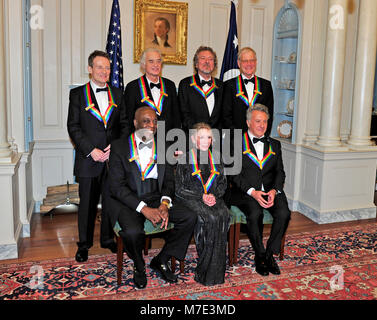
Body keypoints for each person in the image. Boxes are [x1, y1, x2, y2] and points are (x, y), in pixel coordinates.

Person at [107, 107, 196, 289]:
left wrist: (164, 203)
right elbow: (116, 187)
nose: (152, 125)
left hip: (156, 196)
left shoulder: (163, 146)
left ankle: (161, 259)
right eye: (146, 121)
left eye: (154, 121)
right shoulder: (119, 146)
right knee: (132, 233)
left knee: (189, 217)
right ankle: (139, 266)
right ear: (135, 123)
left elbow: (169, 181)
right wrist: (144, 209)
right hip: (130, 200)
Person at [67, 50, 127, 262]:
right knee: (87, 205)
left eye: (108, 67)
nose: (105, 71)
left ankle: (107, 239)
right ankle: (84, 244)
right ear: (90, 69)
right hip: (88, 160)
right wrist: (91, 150)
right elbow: (73, 127)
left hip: (112, 160)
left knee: (111, 202)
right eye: (100, 67)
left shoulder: (118, 94)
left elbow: (124, 125)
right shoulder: (77, 95)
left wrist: (115, 147)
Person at [229, 104, 290, 276]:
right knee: (255, 213)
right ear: (248, 122)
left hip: (270, 190)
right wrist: (252, 192)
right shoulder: (235, 143)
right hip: (245, 192)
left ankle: (269, 254)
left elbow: (280, 172)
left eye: (264, 121)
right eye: (258, 121)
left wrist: (274, 191)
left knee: (284, 213)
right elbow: (234, 175)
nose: (262, 125)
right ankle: (259, 254)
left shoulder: (275, 145)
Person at [175, 123, 230, 286]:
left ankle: (217, 271)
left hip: (213, 197)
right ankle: (204, 270)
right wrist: (201, 196)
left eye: (209, 137)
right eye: (201, 137)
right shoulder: (185, 159)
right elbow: (179, 189)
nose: (206, 141)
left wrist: (214, 195)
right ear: (193, 139)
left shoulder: (217, 158)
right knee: (210, 218)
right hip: (191, 198)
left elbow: (223, 184)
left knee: (223, 215)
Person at [123, 48, 180, 136]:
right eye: (151, 61)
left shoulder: (170, 85)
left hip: (168, 141)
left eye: (158, 61)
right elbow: (129, 120)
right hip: (143, 140)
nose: (156, 65)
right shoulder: (132, 87)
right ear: (143, 65)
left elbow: (176, 117)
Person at [222, 47, 274, 136]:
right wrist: (237, 137)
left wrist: (262, 135)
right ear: (239, 63)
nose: (249, 64)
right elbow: (225, 116)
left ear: (256, 62)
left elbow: (269, 114)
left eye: (252, 60)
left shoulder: (266, 85)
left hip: (259, 137)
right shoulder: (228, 85)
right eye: (245, 61)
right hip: (234, 138)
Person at [178, 46, 224, 132]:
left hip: (216, 138)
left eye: (210, 59)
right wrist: (198, 133)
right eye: (203, 58)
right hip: (193, 136)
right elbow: (183, 114)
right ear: (196, 64)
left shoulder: (221, 85)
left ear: (214, 64)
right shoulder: (185, 84)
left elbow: (224, 114)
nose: (207, 62)